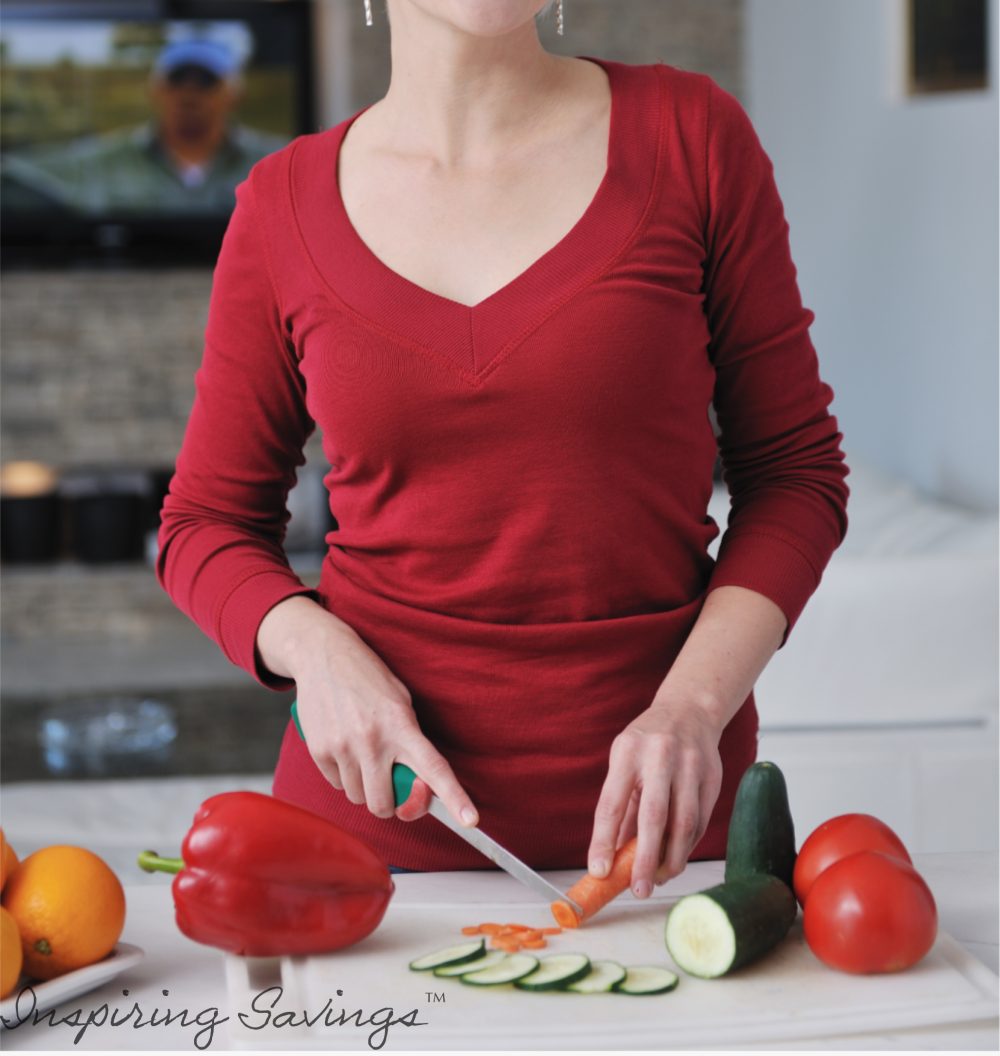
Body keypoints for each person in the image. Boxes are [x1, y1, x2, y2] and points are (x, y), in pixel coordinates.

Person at [157, 0, 850, 900]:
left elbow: (796, 474)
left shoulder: (693, 138)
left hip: (667, 851)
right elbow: (204, 523)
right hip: (365, 856)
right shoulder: (280, 205)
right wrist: (315, 650)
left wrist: (692, 709)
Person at [9, 37, 287, 215]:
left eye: (205, 81)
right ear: (155, 91)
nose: (188, 94)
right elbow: (25, 170)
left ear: (235, 95)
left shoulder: (278, 163)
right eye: (177, 80)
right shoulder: (104, 161)